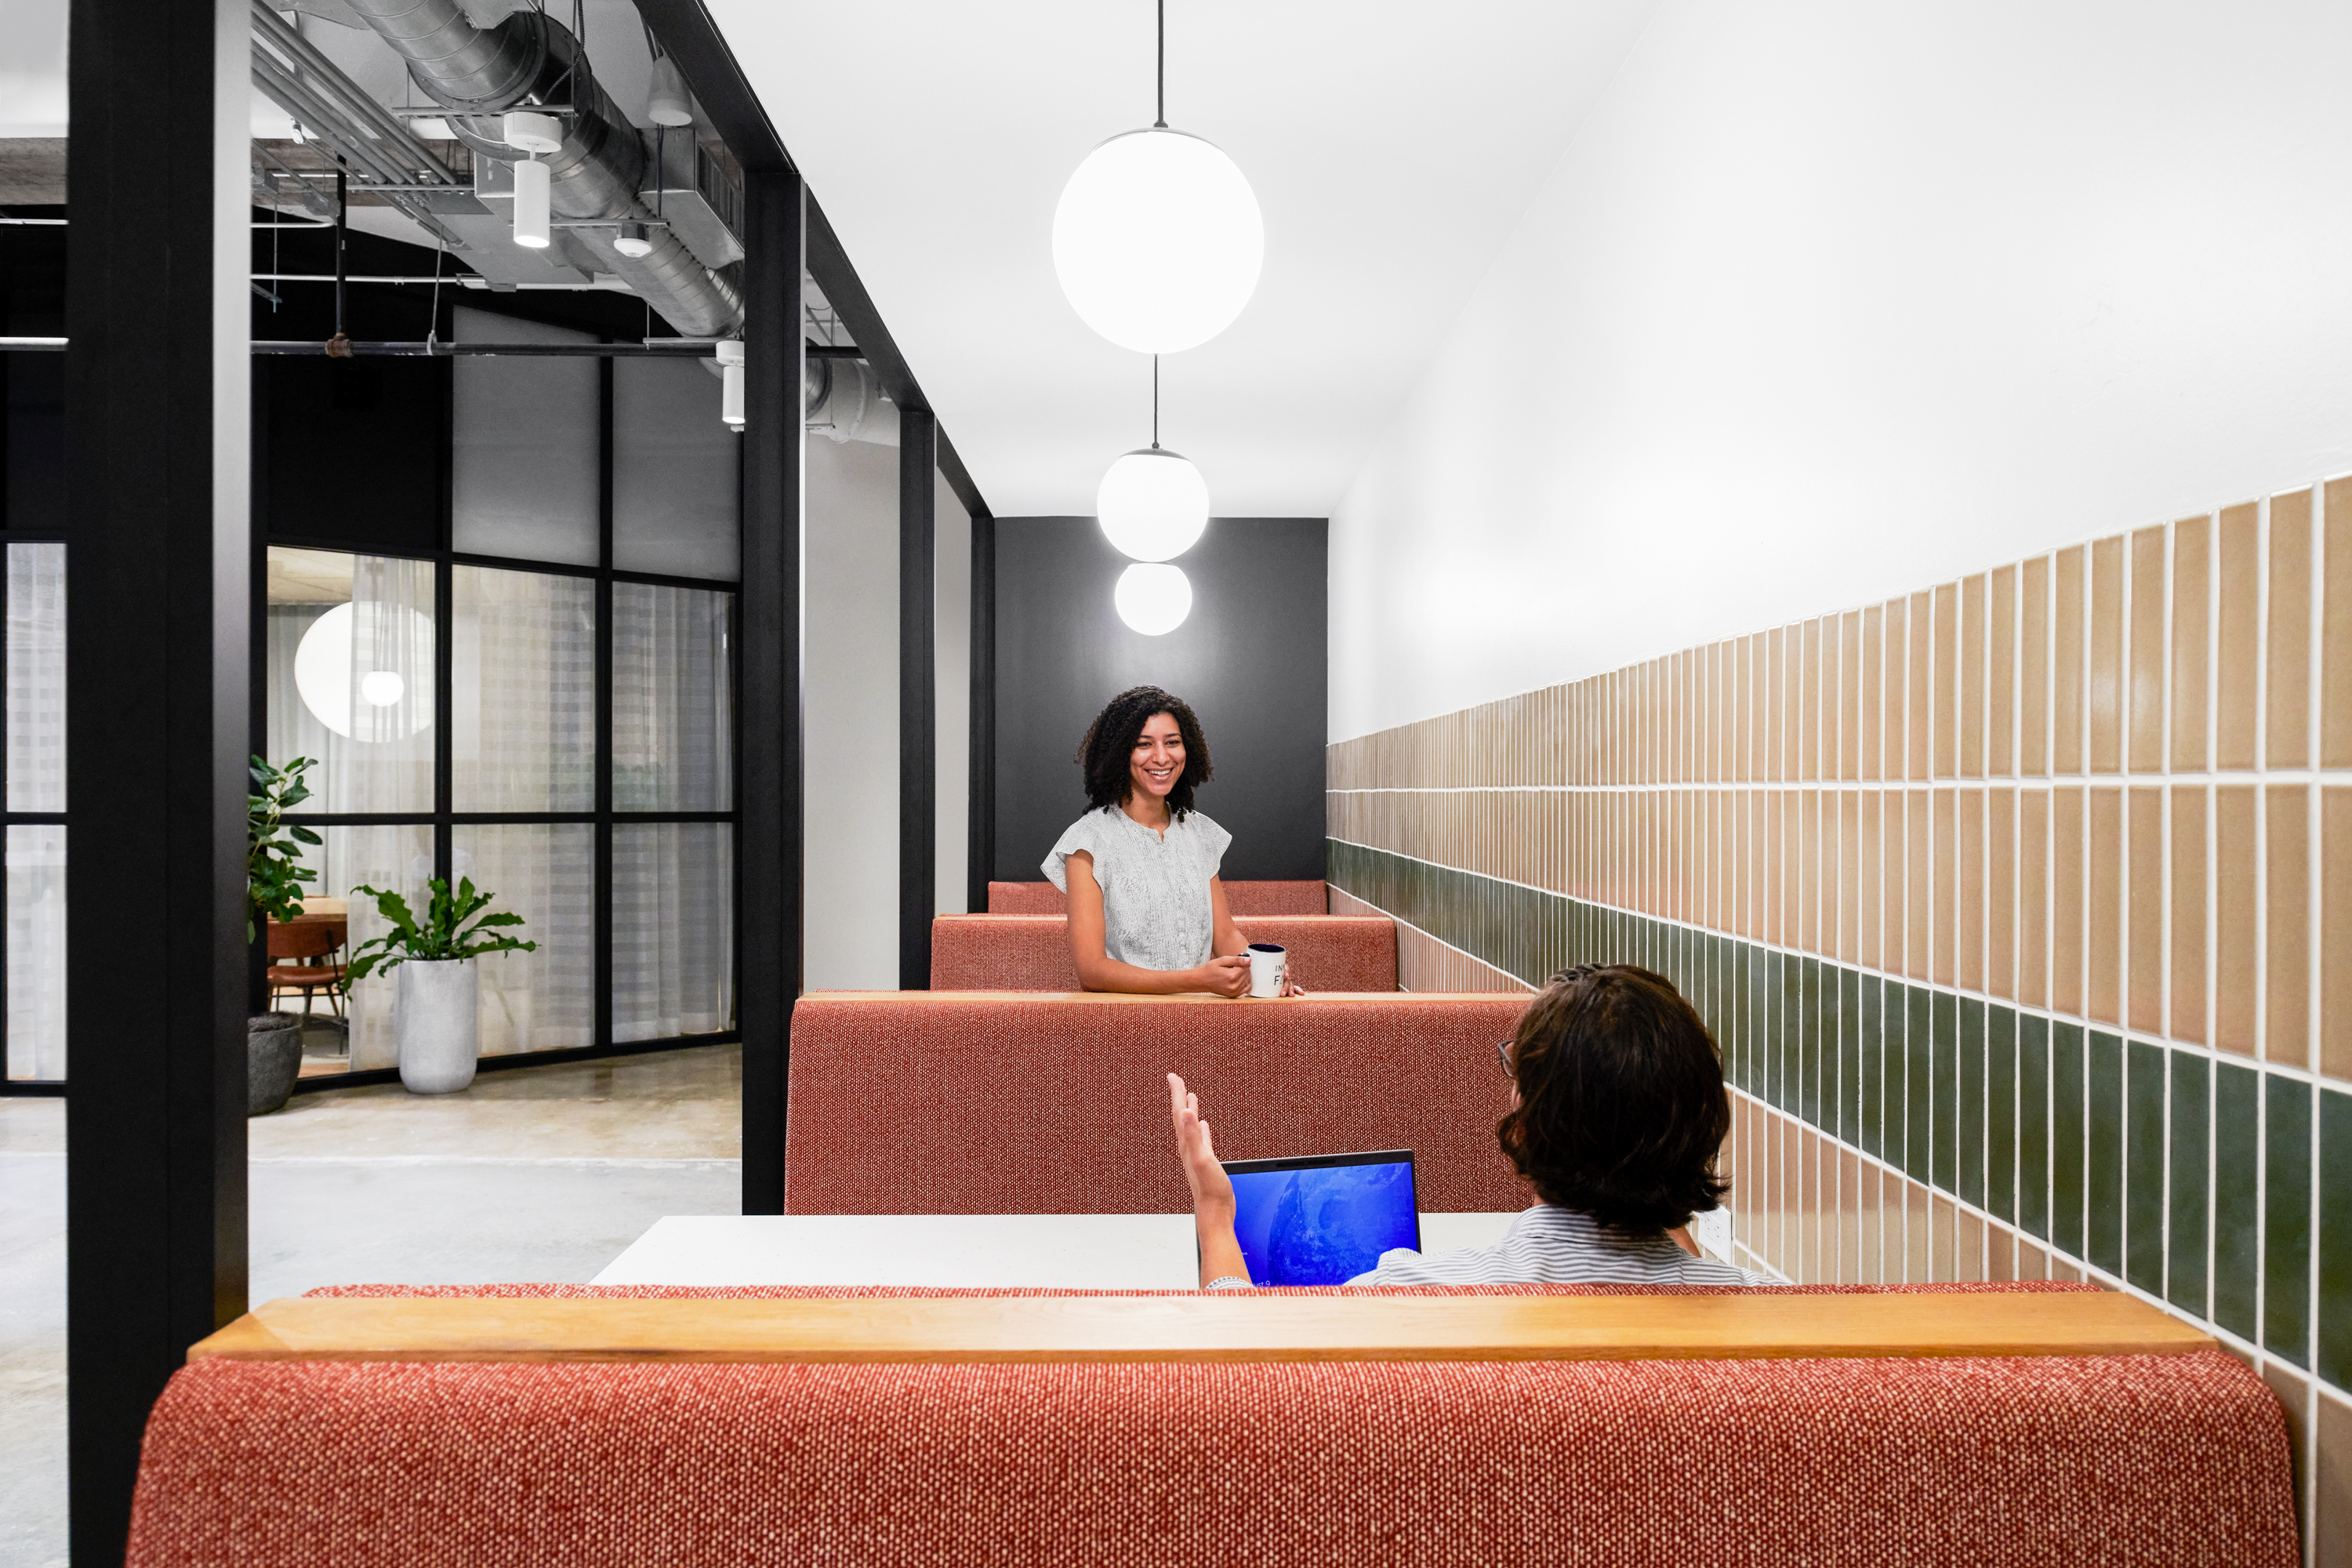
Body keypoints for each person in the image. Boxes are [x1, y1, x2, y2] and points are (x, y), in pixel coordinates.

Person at [1167, 964, 1762, 1287]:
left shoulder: (1414, 1294)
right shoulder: (1764, 1314)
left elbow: (1245, 1365)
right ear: (1702, 1125)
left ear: (1526, 1129)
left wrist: (1217, 1220)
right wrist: (1663, 1202)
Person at [1043, 685, 1302, 997]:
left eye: (1172, 743)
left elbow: (1226, 936)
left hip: (1201, 1020)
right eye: (1144, 744)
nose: (1162, 757)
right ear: (1119, 752)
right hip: (1122, 1024)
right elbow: (1092, 971)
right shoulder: (1087, 842)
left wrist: (1260, 971)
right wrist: (1198, 980)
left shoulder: (1198, 832)